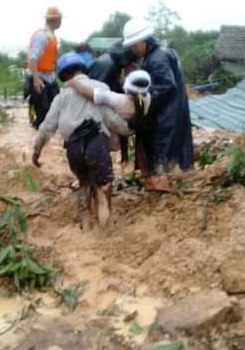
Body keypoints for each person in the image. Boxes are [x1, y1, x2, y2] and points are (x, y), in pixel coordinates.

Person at [32, 53, 132, 228]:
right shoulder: (100, 88)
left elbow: (47, 127)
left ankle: (85, 225)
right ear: (83, 68)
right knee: (103, 190)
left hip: (73, 148)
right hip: (96, 145)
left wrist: (36, 151)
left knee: (84, 184)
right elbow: (113, 119)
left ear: (63, 75)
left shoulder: (61, 97)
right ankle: (103, 233)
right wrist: (131, 130)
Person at [121, 18, 194, 192]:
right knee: (160, 154)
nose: (133, 49)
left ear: (143, 40)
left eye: (134, 45)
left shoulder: (158, 58)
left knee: (160, 154)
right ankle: (160, 188)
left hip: (164, 117)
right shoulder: (159, 54)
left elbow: (166, 85)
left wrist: (142, 101)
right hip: (168, 113)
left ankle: (161, 194)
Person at [85, 45, 138, 162]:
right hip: (95, 105)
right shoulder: (108, 65)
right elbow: (98, 92)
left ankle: (124, 159)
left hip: (101, 99)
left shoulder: (112, 61)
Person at [28, 6, 63, 129]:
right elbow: (32, 58)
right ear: (55, 20)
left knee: (57, 108)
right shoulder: (42, 36)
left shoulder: (51, 35)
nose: (61, 22)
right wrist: (36, 80)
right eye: (60, 19)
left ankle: (49, 139)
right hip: (40, 78)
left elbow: (52, 58)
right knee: (43, 114)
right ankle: (38, 138)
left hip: (50, 78)